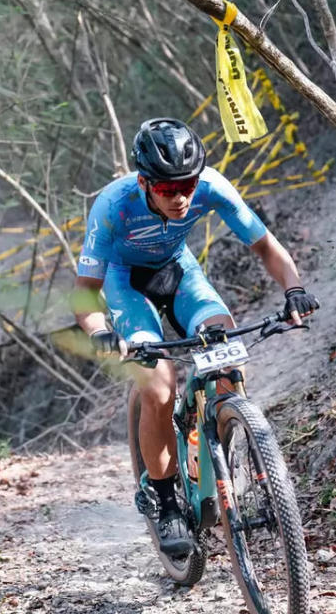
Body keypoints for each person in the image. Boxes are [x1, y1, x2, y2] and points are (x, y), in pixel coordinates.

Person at [71, 118, 318, 556]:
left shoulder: (211, 186)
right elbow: (84, 296)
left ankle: (215, 444)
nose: (181, 197)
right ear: (145, 182)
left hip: (179, 271)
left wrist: (294, 289)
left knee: (228, 354)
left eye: (187, 184)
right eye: (168, 190)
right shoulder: (114, 205)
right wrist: (100, 332)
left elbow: (264, 246)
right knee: (160, 387)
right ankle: (166, 504)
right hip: (125, 284)